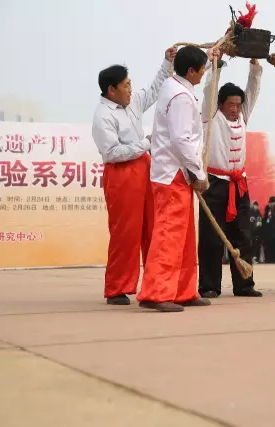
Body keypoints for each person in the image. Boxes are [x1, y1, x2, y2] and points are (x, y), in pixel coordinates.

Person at [136, 45, 218, 312]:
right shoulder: (181, 96)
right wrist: (199, 173)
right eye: (202, 68)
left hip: (174, 173)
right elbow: (181, 140)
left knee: (183, 237)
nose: (205, 73)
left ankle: (183, 290)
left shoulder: (174, 87)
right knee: (169, 235)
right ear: (192, 70)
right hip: (173, 173)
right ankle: (157, 293)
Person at [92, 47, 175, 305]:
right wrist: (145, 144)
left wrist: (167, 61)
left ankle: (154, 285)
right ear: (111, 90)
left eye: (130, 84)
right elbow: (113, 152)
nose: (130, 89)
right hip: (121, 174)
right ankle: (117, 288)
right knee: (125, 232)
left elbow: (154, 89)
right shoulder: (102, 115)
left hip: (143, 168)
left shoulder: (132, 102)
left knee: (152, 227)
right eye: (125, 86)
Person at [197, 53, 263, 298]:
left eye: (238, 104)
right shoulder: (211, 117)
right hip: (214, 183)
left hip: (240, 184)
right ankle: (209, 286)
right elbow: (209, 92)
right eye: (231, 104)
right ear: (220, 104)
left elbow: (253, 92)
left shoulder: (243, 117)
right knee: (212, 238)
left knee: (243, 235)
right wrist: (215, 66)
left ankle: (244, 285)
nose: (235, 109)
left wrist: (255, 67)